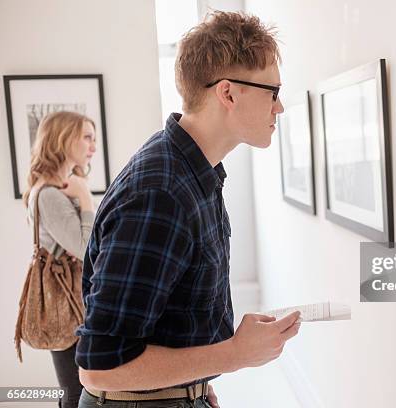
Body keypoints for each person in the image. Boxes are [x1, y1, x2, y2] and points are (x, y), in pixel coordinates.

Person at [75, 11, 300, 408]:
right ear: (228, 93)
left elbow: (168, 319)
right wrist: (235, 354)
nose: (278, 108)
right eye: (272, 92)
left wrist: (194, 384)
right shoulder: (161, 191)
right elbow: (100, 367)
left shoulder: (196, 171)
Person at [22, 111, 97, 408]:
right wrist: (86, 199)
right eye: (87, 137)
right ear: (63, 139)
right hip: (68, 303)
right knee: (76, 391)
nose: (93, 145)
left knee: (77, 388)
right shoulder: (50, 194)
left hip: (75, 301)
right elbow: (86, 249)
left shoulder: (58, 188)